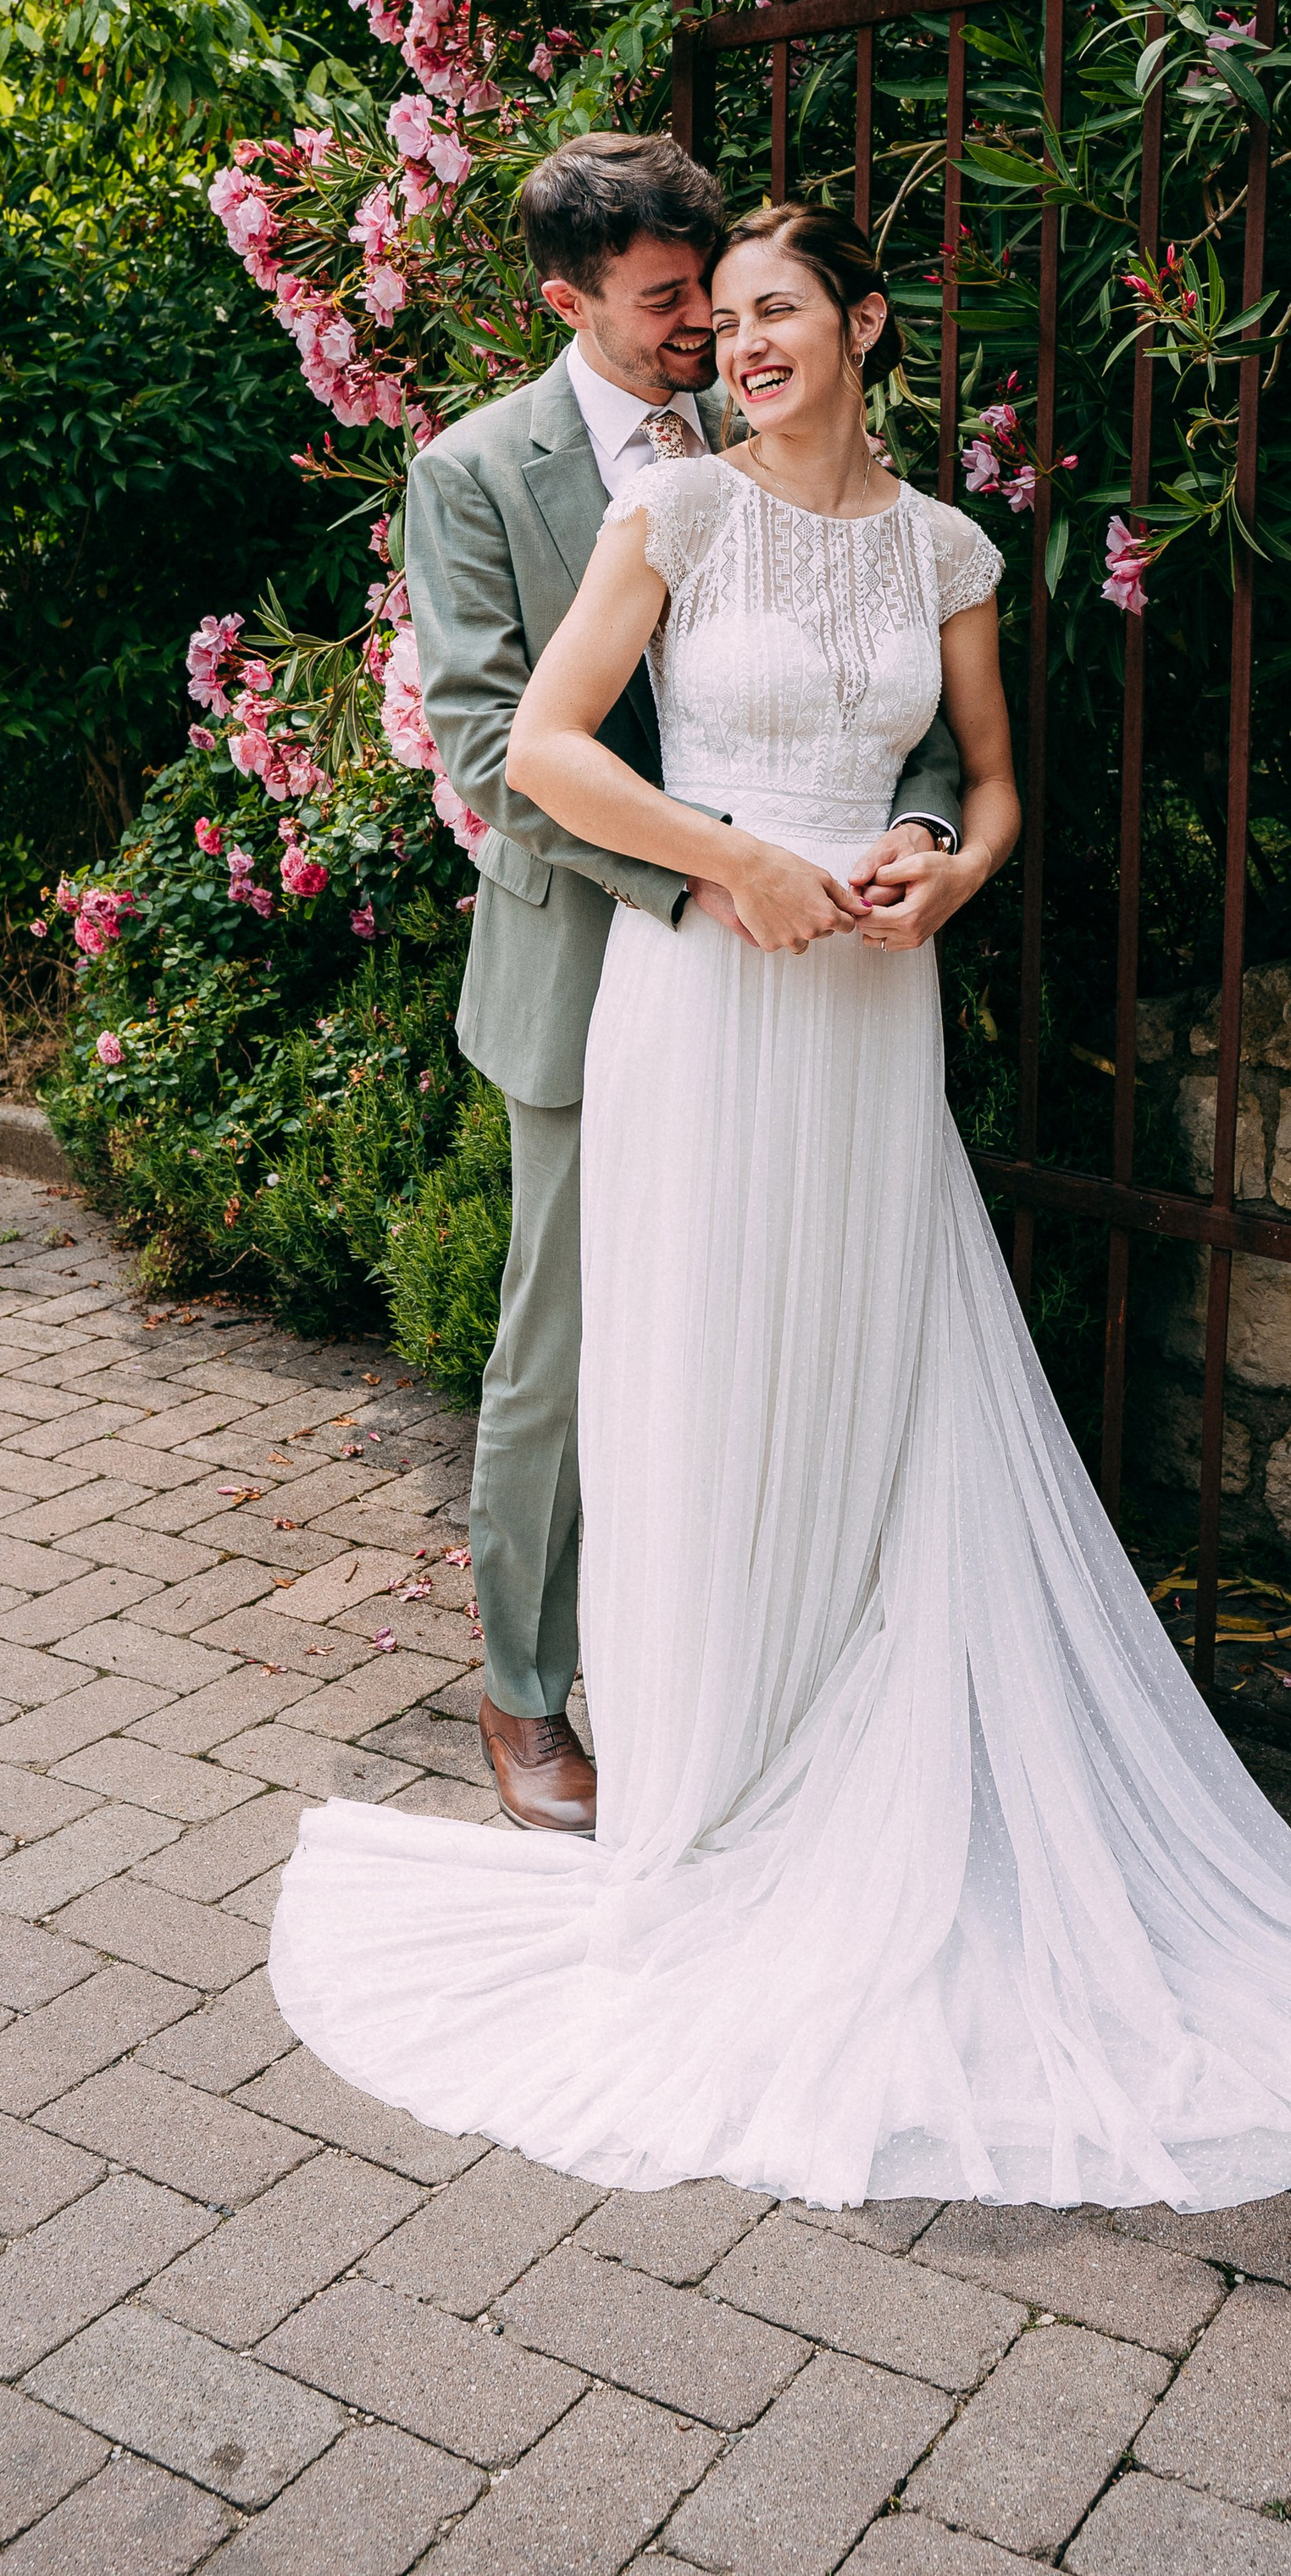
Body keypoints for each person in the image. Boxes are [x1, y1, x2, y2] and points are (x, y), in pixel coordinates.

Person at [269, 194, 1291, 2213]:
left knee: (867, 1353)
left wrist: (951, 868)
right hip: (707, 986)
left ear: (863, 325)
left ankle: (855, 1737)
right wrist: (730, 862)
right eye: (714, 316)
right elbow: (544, 749)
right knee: (699, 1360)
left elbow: (985, 781)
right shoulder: (677, 521)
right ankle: (704, 1777)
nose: (737, 343)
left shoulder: (947, 550)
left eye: (773, 311)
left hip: (869, 995)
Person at [398, 134, 964, 1835]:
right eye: (663, 306)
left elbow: (907, 690)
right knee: (569, 1348)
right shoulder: (478, 470)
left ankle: (731, 1667)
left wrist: (922, 825)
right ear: (566, 300)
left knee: (753, 1332)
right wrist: (715, 869)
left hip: (806, 980)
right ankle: (522, 1692)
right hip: (597, 964)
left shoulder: (770, 437)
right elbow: (498, 746)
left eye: (711, 299)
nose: (699, 333)